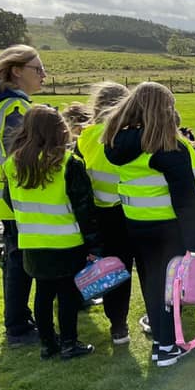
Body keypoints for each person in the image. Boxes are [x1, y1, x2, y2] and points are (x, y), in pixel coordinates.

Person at [103, 82, 195, 367]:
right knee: (170, 288)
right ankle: (166, 347)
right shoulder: (167, 148)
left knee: (152, 283)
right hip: (167, 228)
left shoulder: (116, 143)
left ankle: (162, 340)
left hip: (136, 225)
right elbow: (186, 199)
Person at [2, 106, 99, 359]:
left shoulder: (12, 164)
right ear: (60, 131)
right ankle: (69, 342)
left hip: (32, 241)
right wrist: (92, 244)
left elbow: (10, 201)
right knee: (67, 295)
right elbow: (84, 207)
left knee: (42, 294)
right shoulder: (68, 163)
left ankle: (48, 343)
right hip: (67, 240)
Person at [0, 44, 46, 346]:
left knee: (16, 258)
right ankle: (18, 327)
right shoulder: (14, 109)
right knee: (19, 261)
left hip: (4, 196)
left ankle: (19, 320)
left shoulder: (2, 105)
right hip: (14, 197)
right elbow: (24, 157)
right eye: (37, 69)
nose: (44, 76)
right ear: (16, 71)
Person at [73, 81, 133, 343]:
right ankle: (157, 319)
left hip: (99, 214)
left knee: (113, 269)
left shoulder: (84, 139)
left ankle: (118, 325)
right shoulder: (128, 136)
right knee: (143, 265)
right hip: (129, 209)